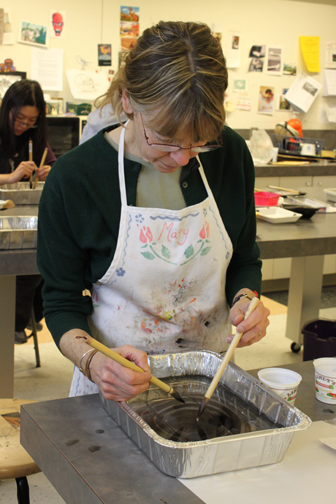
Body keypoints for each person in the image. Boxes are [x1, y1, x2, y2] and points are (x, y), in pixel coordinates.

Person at [37, 21, 270, 401]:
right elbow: (61, 302)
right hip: (114, 385)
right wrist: (94, 361)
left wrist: (247, 300)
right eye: (164, 140)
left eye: (199, 143)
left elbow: (244, 258)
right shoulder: (75, 178)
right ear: (128, 100)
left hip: (208, 379)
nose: (181, 158)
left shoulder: (232, 155)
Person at [0, 79, 56, 343]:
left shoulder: (35, 137)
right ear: (7, 107)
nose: (23, 125)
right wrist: (9, 177)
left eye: (30, 121)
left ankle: (19, 319)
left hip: (20, 217)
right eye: (19, 118)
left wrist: (50, 172)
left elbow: (53, 165)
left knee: (43, 261)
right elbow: (11, 178)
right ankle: (13, 321)